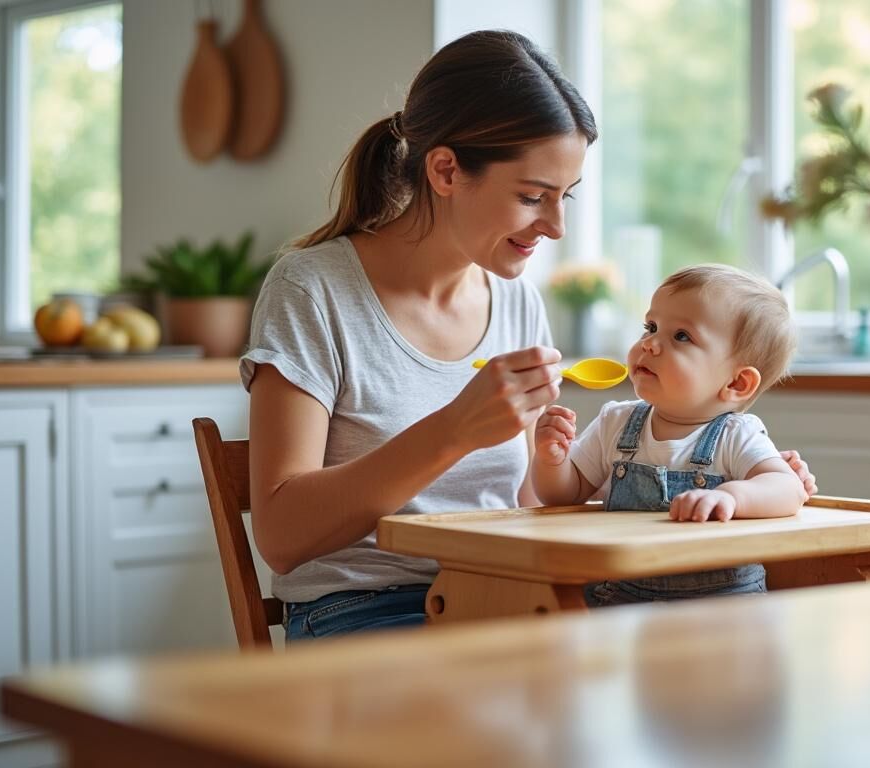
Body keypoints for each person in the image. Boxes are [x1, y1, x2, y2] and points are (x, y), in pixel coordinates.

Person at [240, 30, 816, 642]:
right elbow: (281, 536)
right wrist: (453, 430)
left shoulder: (515, 302)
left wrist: (737, 482)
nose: (557, 226)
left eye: (565, 197)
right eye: (532, 197)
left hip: (509, 595)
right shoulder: (312, 289)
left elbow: (529, 506)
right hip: (367, 609)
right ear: (445, 170)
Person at [530, 264, 805, 606]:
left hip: (724, 607)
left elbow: (788, 489)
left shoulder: (737, 435)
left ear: (736, 383)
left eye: (681, 336)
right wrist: (552, 459)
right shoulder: (616, 421)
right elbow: (563, 495)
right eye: (651, 327)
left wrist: (732, 497)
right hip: (619, 597)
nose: (650, 344)